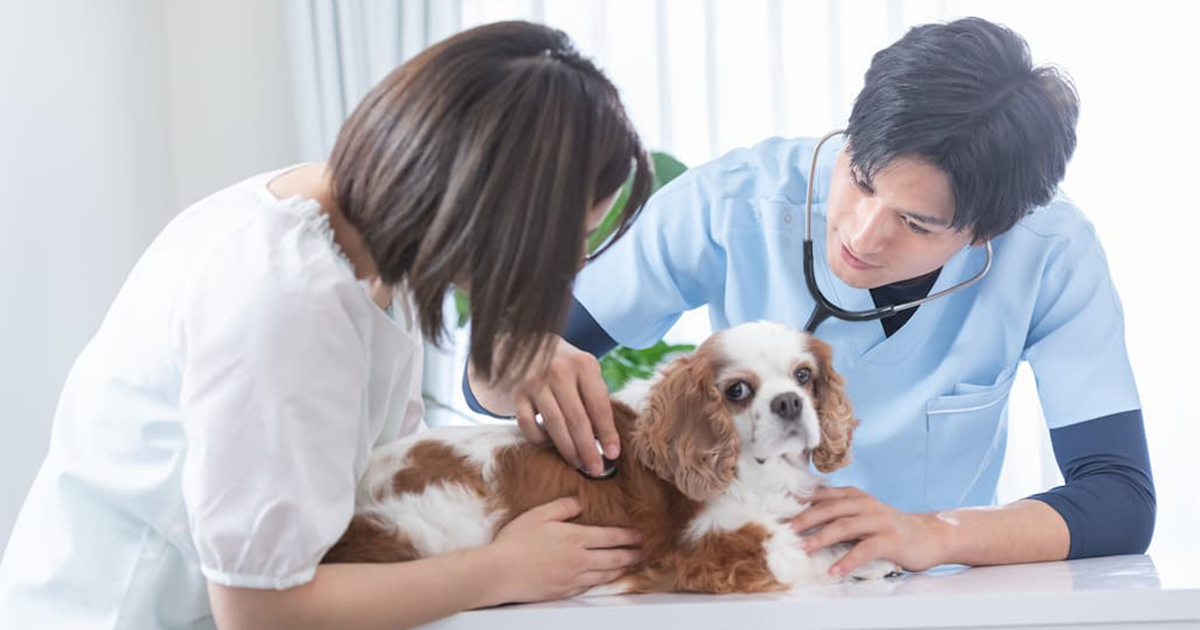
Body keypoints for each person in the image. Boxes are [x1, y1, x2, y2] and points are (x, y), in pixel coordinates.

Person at [0, 21, 653, 630]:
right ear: (492, 203)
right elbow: (259, 610)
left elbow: (347, 467)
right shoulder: (284, 299)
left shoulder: (347, 229)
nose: (571, 264)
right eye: (572, 234)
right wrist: (502, 571)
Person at [467, 17, 1155, 576]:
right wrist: (523, 360)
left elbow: (1120, 498)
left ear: (991, 231)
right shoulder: (731, 202)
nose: (861, 234)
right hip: (749, 580)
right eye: (859, 178)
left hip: (937, 597)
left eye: (916, 224)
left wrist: (933, 534)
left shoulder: (1052, 253)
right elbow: (493, 380)